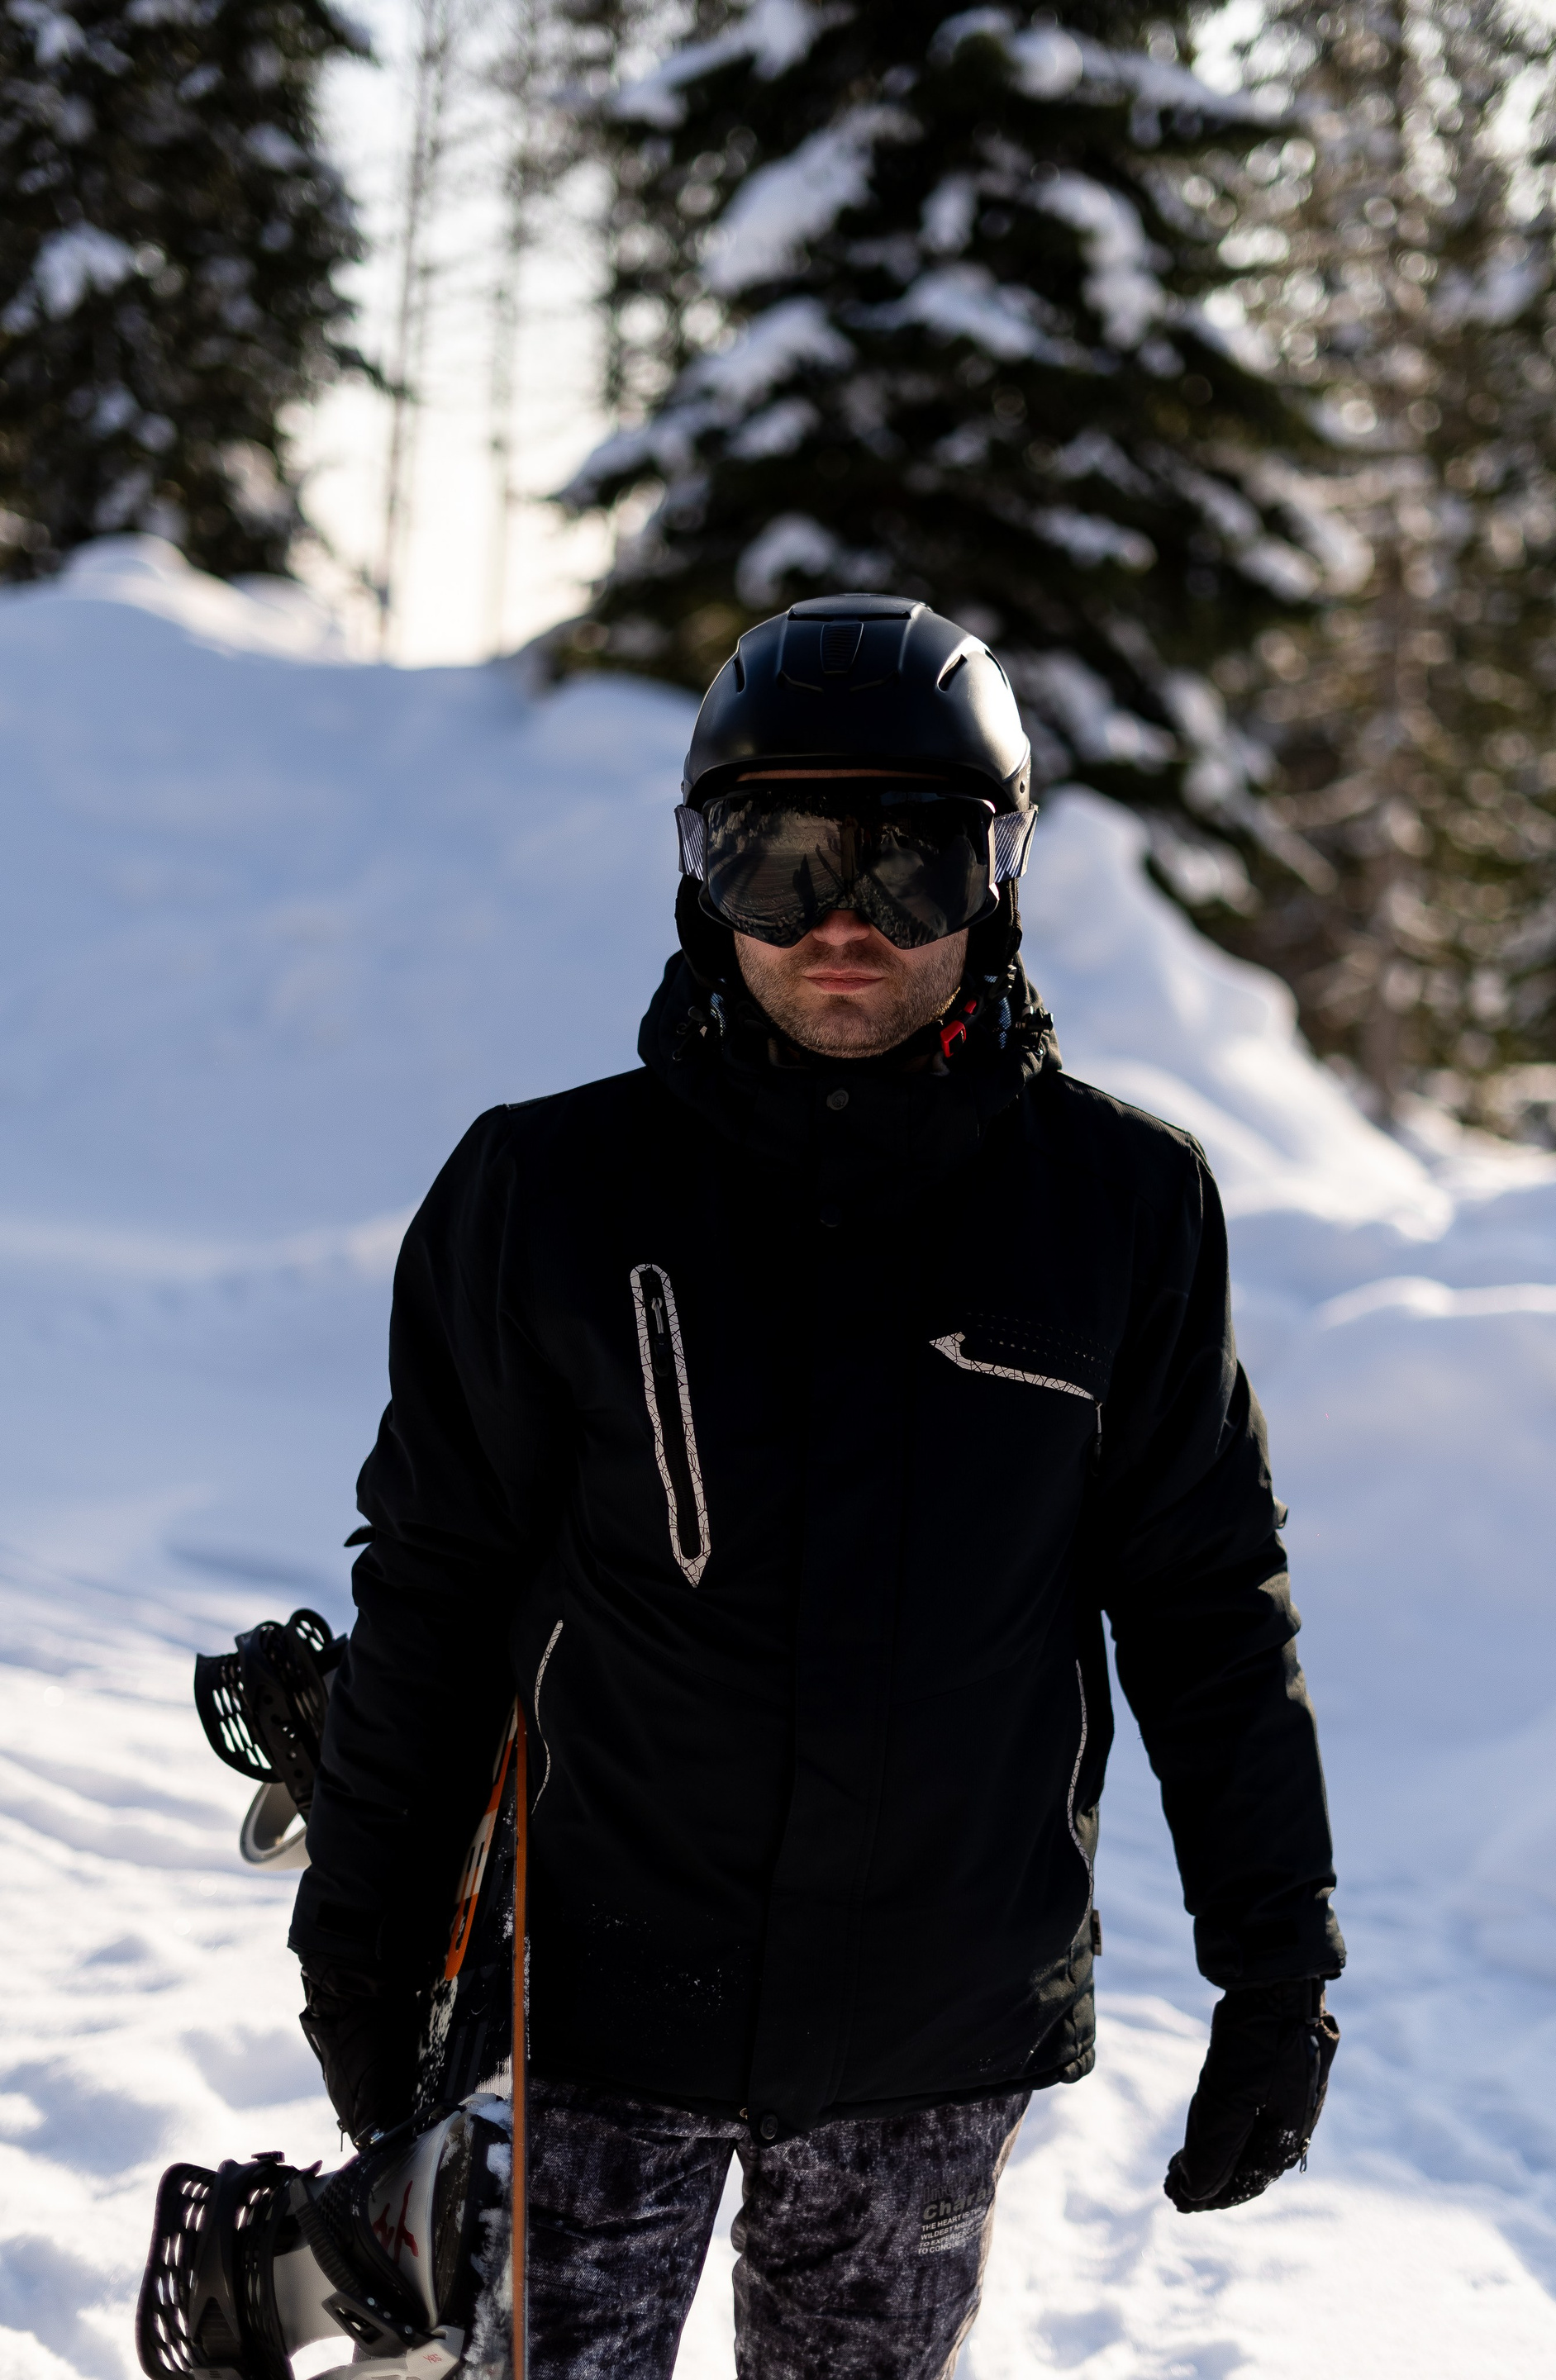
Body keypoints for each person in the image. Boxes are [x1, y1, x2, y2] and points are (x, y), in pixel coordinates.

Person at [291, 594, 1343, 2379]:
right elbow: (436, 1596)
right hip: (583, 2020)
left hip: (931, 2039)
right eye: (776, 860)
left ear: (999, 875)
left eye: (909, 863)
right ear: (700, 872)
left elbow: (1207, 1610)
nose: (842, 920)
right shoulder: (546, 1195)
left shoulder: (1120, 1212)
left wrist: (1277, 1971)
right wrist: (366, 1952)